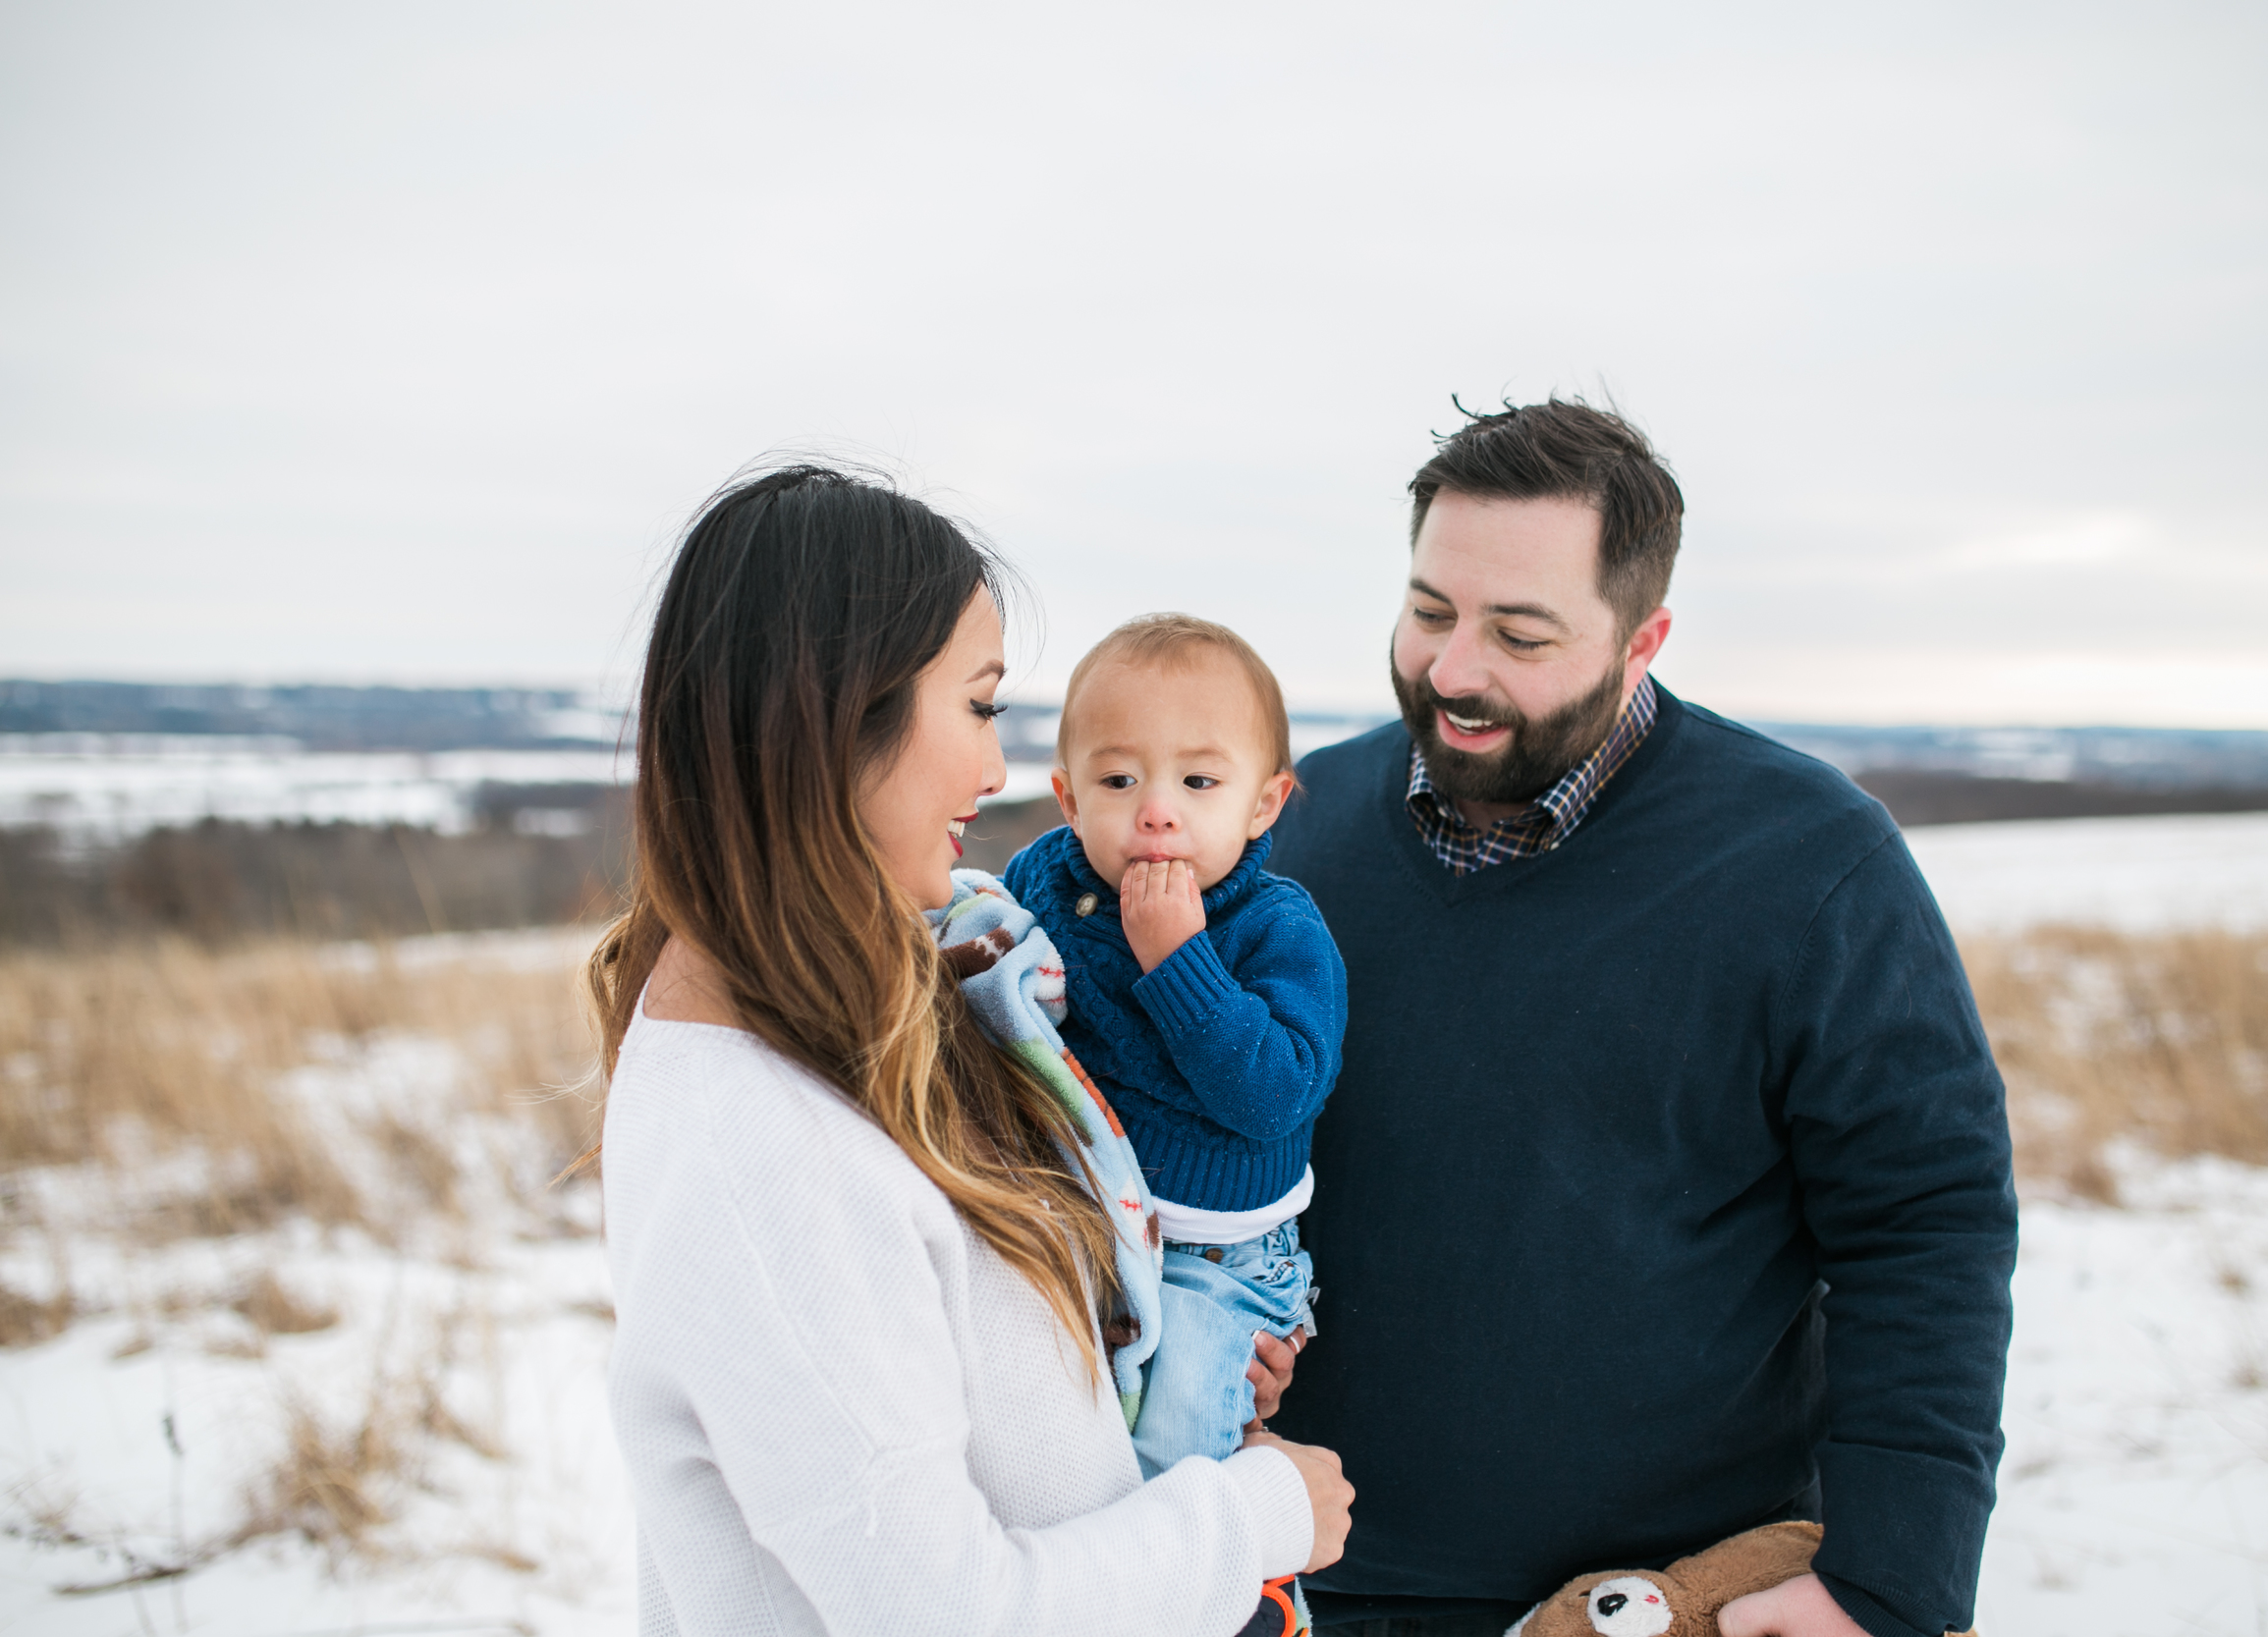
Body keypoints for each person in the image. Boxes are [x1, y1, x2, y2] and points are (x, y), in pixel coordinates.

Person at [1266, 402, 2018, 1637]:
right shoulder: (1293, 827)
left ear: (1642, 637)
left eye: (1520, 632)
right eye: (1429, 611)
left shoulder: (1811, 862)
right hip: (1293, 1576)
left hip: (1659, 1598)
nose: (1454, 669)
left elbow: (1924, 1220)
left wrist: (1889, 1576)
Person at [589, 465, 1352, 1636]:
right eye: (982, 704)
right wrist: (1253, 1516)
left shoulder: (886, 999)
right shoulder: (755, 1147)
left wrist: (1173, 1354)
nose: (998, 773)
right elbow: (942, 1611)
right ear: (844, 716)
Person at [1003, 615, 1347, 1475]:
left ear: (1262, 801)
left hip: (1216, 1255)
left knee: (1174, 1449)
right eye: (1119, 779)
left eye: (1199, 781)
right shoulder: (1045, 883)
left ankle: (1218, 1596)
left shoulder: (1276, 926)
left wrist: (1180, 960)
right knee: (1063, 1443)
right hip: (1079, 1226)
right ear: (1070, 797)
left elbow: (1274, 1095)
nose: (1156, 812)